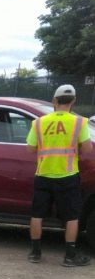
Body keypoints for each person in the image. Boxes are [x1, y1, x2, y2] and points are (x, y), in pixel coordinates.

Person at [25, 84, 92, 266]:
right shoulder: (79, 122)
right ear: (73, 101)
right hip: (68, 175)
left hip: (43, 174)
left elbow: (30, 148)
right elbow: (87, 148)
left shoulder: (39, 122)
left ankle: (35, 253)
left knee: (37, 214)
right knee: (71, 217)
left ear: (55, 101)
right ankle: (69, 256)